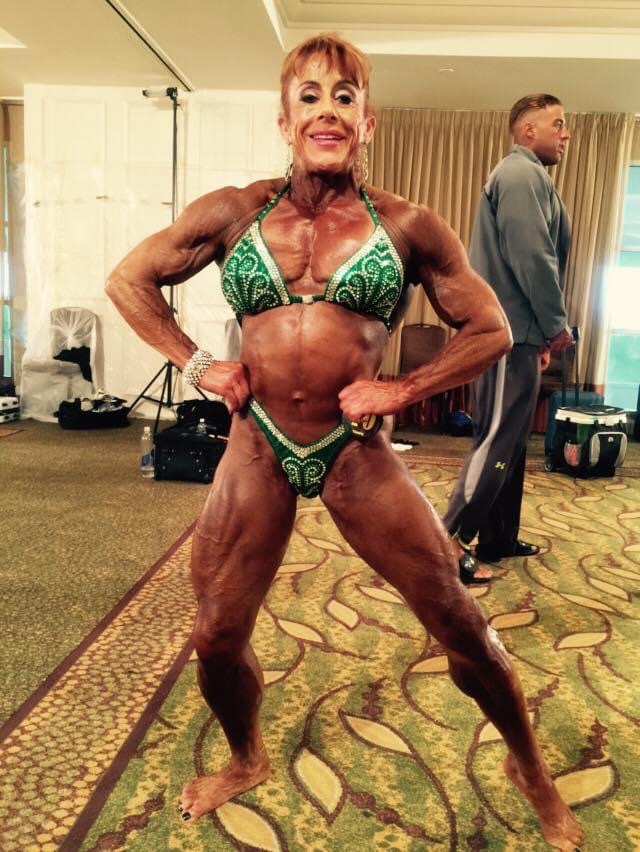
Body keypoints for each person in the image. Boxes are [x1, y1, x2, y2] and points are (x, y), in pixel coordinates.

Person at [106, 39, 583, 850]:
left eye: (345, 96)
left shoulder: (406, 224)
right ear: (284, 119)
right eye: (310, 96)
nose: (327, 111)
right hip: (257, 445)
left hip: (354, 449)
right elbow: (129, 279)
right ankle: (247, 756)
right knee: (215, 635)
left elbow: (491, 328)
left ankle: (528, 768)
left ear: (368, 121)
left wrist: (399, 390)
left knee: (460, 620)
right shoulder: (235, 212)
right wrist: (197, 363)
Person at [443, 94, 574, 582]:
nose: (566, 134)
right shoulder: (520, 174)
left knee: (512, 441)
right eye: (558, 123)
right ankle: (447, 544)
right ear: (528, 131)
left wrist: (537, 339)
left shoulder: (530, 176)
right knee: (497, 439)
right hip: (506, 336)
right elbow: (533, 259)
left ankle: (498, 536)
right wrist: (554, 326)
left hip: (520, 335)